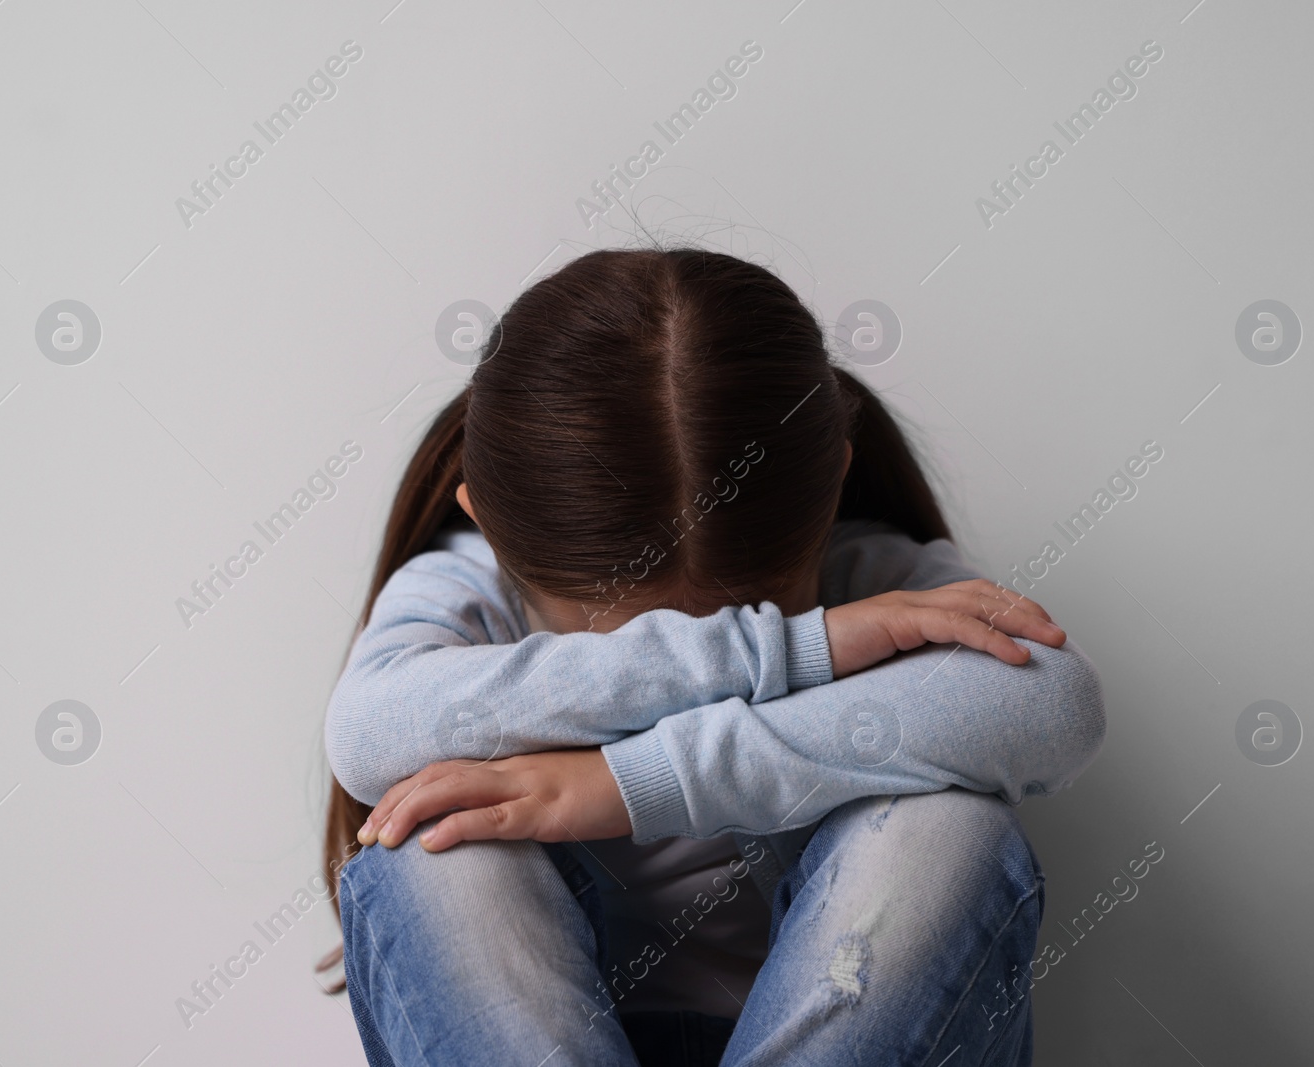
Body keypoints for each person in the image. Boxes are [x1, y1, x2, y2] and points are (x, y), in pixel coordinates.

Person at [320, 248, 1105, 1066]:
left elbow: (1056, 704)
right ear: (486, 523)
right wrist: (796, 644)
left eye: (747, 619)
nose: (689, 659)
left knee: (947, 829)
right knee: (434, 851)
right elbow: (368, 733)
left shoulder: (881, 585)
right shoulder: (468, 595)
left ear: (833, 489)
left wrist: (621, 786)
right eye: (629, 645)